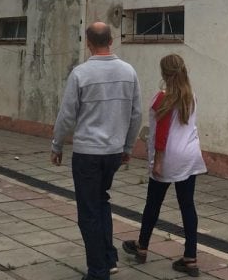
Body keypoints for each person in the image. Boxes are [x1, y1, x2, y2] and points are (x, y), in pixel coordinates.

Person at [51, 22, 142, 280]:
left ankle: (98, 272)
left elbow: (67, 115)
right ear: (111, 40)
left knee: (89, 212)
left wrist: (57, 145)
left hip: (88, 153)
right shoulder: (129, 72)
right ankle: (109, 258)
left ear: (88, 42)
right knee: (101, 202)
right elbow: (136, 114)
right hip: (113, 152)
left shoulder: (81, 74)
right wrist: (127, 146)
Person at [122, 54, 206, 278]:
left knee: (153, 203)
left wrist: (157, 161)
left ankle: (142, 246)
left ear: (163, 74)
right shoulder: (191, 96)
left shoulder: (163, 98)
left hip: (168, 157)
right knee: (187, 206)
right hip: (189, 156)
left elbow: (161, 133)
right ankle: (190, 258)